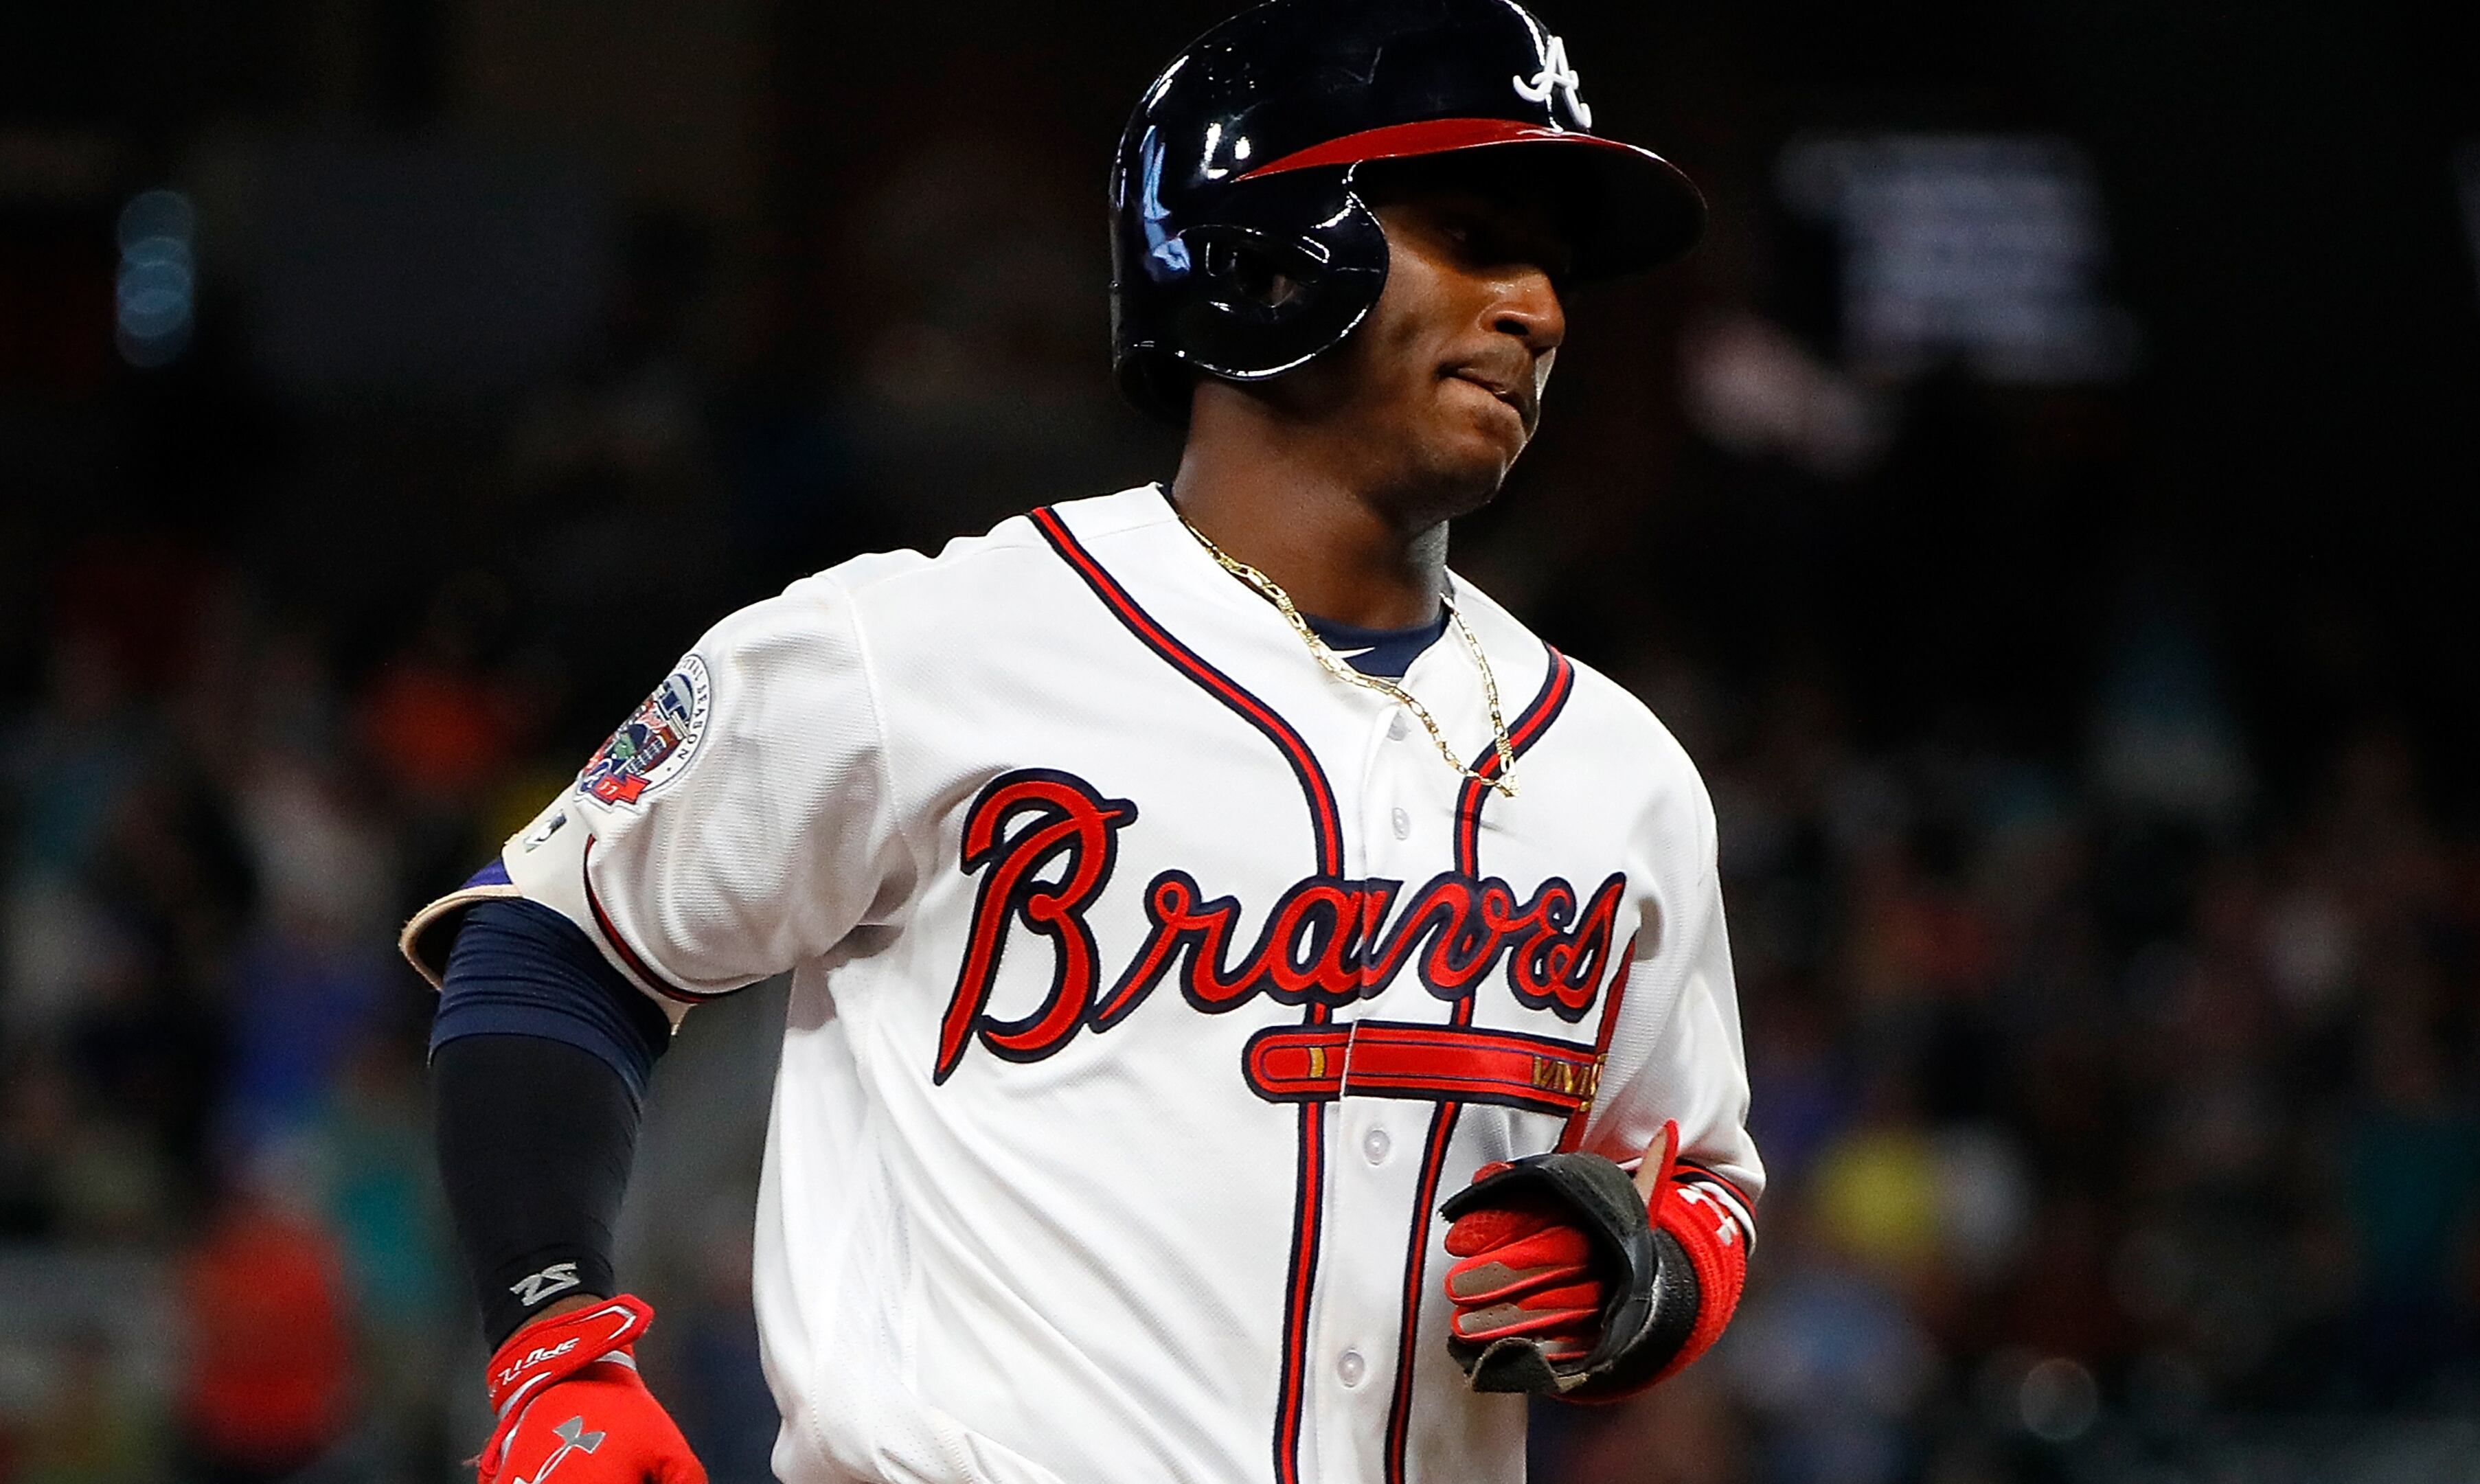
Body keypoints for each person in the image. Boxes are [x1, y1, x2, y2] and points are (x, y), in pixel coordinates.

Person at [400, 2, 1764, 1481]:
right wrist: (555, 1348)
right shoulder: (923, 651)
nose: (1542, 310)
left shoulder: (1618, 776)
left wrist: (1644, 1275)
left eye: (1553, 266)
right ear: (1265, 243)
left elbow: (1697, 1180)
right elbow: (551, 941)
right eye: (1480, 235)